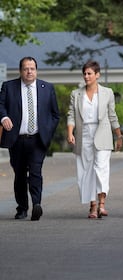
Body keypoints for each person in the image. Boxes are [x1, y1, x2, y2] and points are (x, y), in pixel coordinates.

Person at [0, 56, 60, 221]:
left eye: (32, 68)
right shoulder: (8, 86)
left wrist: (47, 132)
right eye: (26, 68)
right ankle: (22, 208)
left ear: (36, 70)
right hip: (17, 139)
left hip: (37, 140)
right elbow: (1, 105)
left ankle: (36, 205)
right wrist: (4, 118)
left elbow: (55, 115)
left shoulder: (47, 88)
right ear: (20, 71)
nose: (29, 71)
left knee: (35, 172)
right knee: (19, 175)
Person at [67, 60, 123, 219]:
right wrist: (70, 132)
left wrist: (118, 135)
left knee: (101, 168)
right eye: (84, 73)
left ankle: (102, 204)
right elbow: (71, 115)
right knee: (86, 171)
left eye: (89, 73)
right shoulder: (76, 94)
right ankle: (92, 206)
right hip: (83, 135)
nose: (86, 76)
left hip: (103, 135)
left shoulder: (107, 92)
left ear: (97, 75)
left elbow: (112, 115)